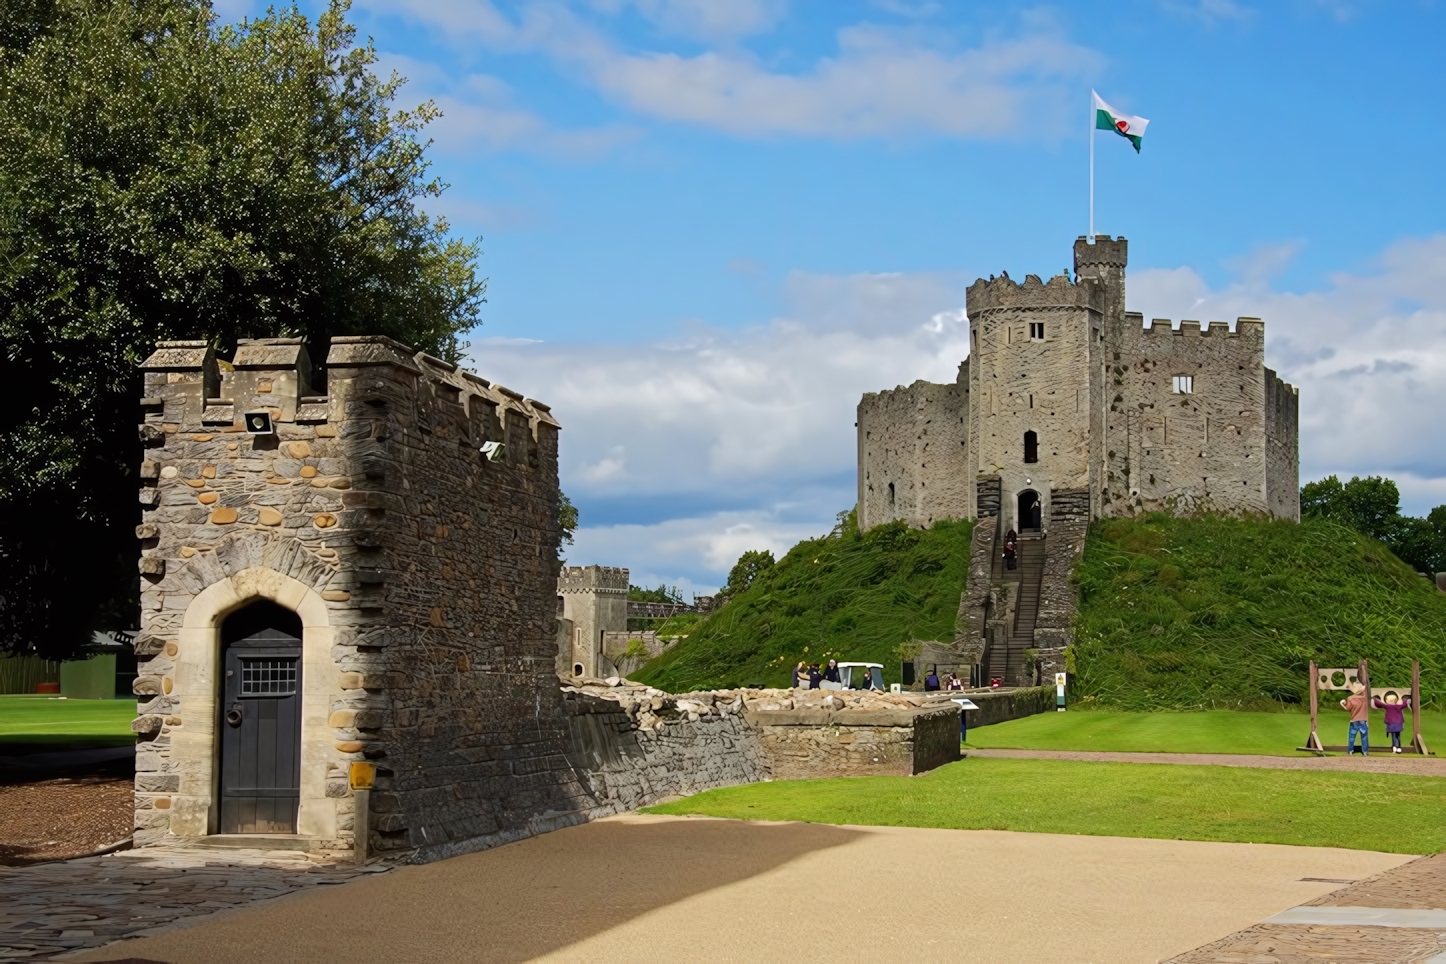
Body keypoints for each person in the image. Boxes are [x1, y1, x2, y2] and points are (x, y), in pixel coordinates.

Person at [1341, 681, 1369, 755]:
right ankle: (1365, 751)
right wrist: (1362, 687)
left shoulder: (1350, 699)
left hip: (1354, 720)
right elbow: (1365, 687)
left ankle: (1350, 750)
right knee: (1364, 737)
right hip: (1363, 720)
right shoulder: (1365, 698)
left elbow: (1347, 708)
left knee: (1351, 737)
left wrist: (1342, 703)